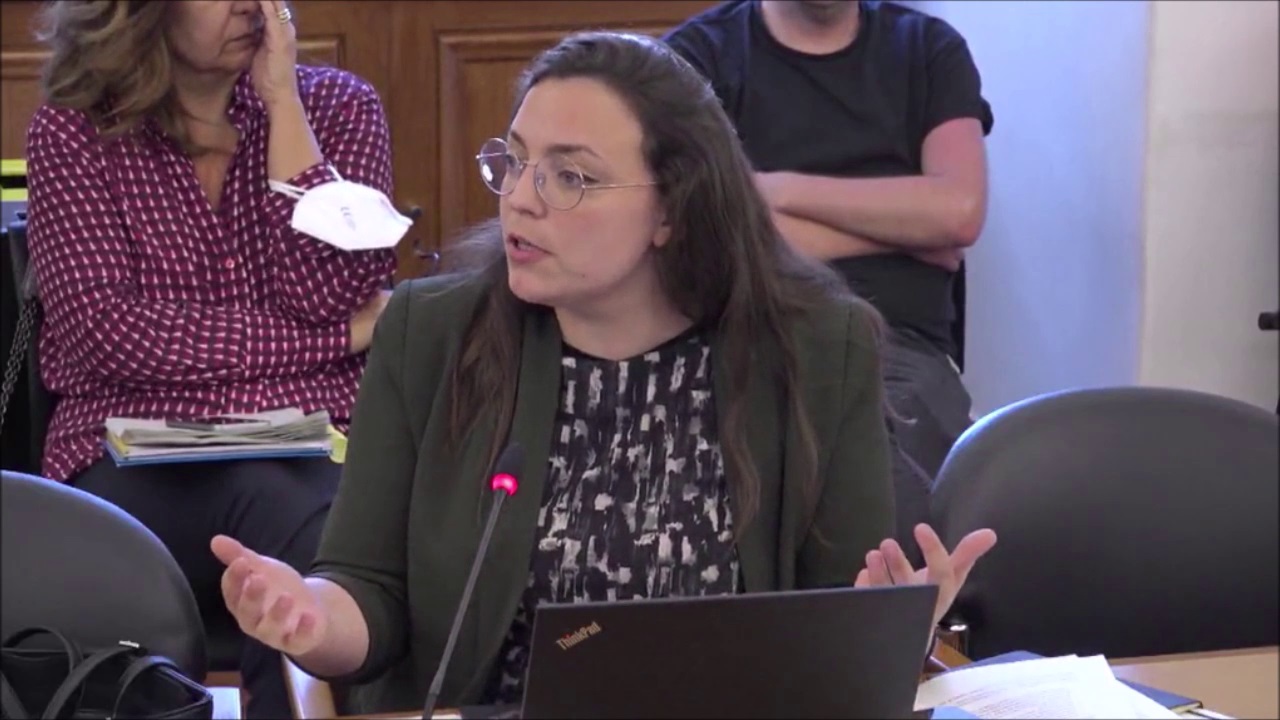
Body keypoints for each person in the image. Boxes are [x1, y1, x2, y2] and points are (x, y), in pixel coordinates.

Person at [210, 31, 996, 715]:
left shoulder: (818, 349)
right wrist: (312, 615)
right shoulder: (434, 333)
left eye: (570, 177)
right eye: (515, 162)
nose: (521, 199)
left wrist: (887, 626)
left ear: (673, 210)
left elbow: (838, 617)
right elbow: (368, 590)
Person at [24, 1, 397, 716]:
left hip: (312, 448)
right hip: (129, 456)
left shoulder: (340, 109)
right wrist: (332, 341)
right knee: (289, 512)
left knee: (308, 518)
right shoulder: (74, 130)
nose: (250, 5)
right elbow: (111, 334)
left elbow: (328, 291)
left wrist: (284, 105)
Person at [663, 0, 994, 555]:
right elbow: (697, 232)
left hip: (899, 348)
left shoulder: (928, 49)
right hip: (746, 334)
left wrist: (774, 190)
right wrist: (909, 230)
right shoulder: (695, 60)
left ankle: (897, 608)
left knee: (885, 474)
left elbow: (958, 212)